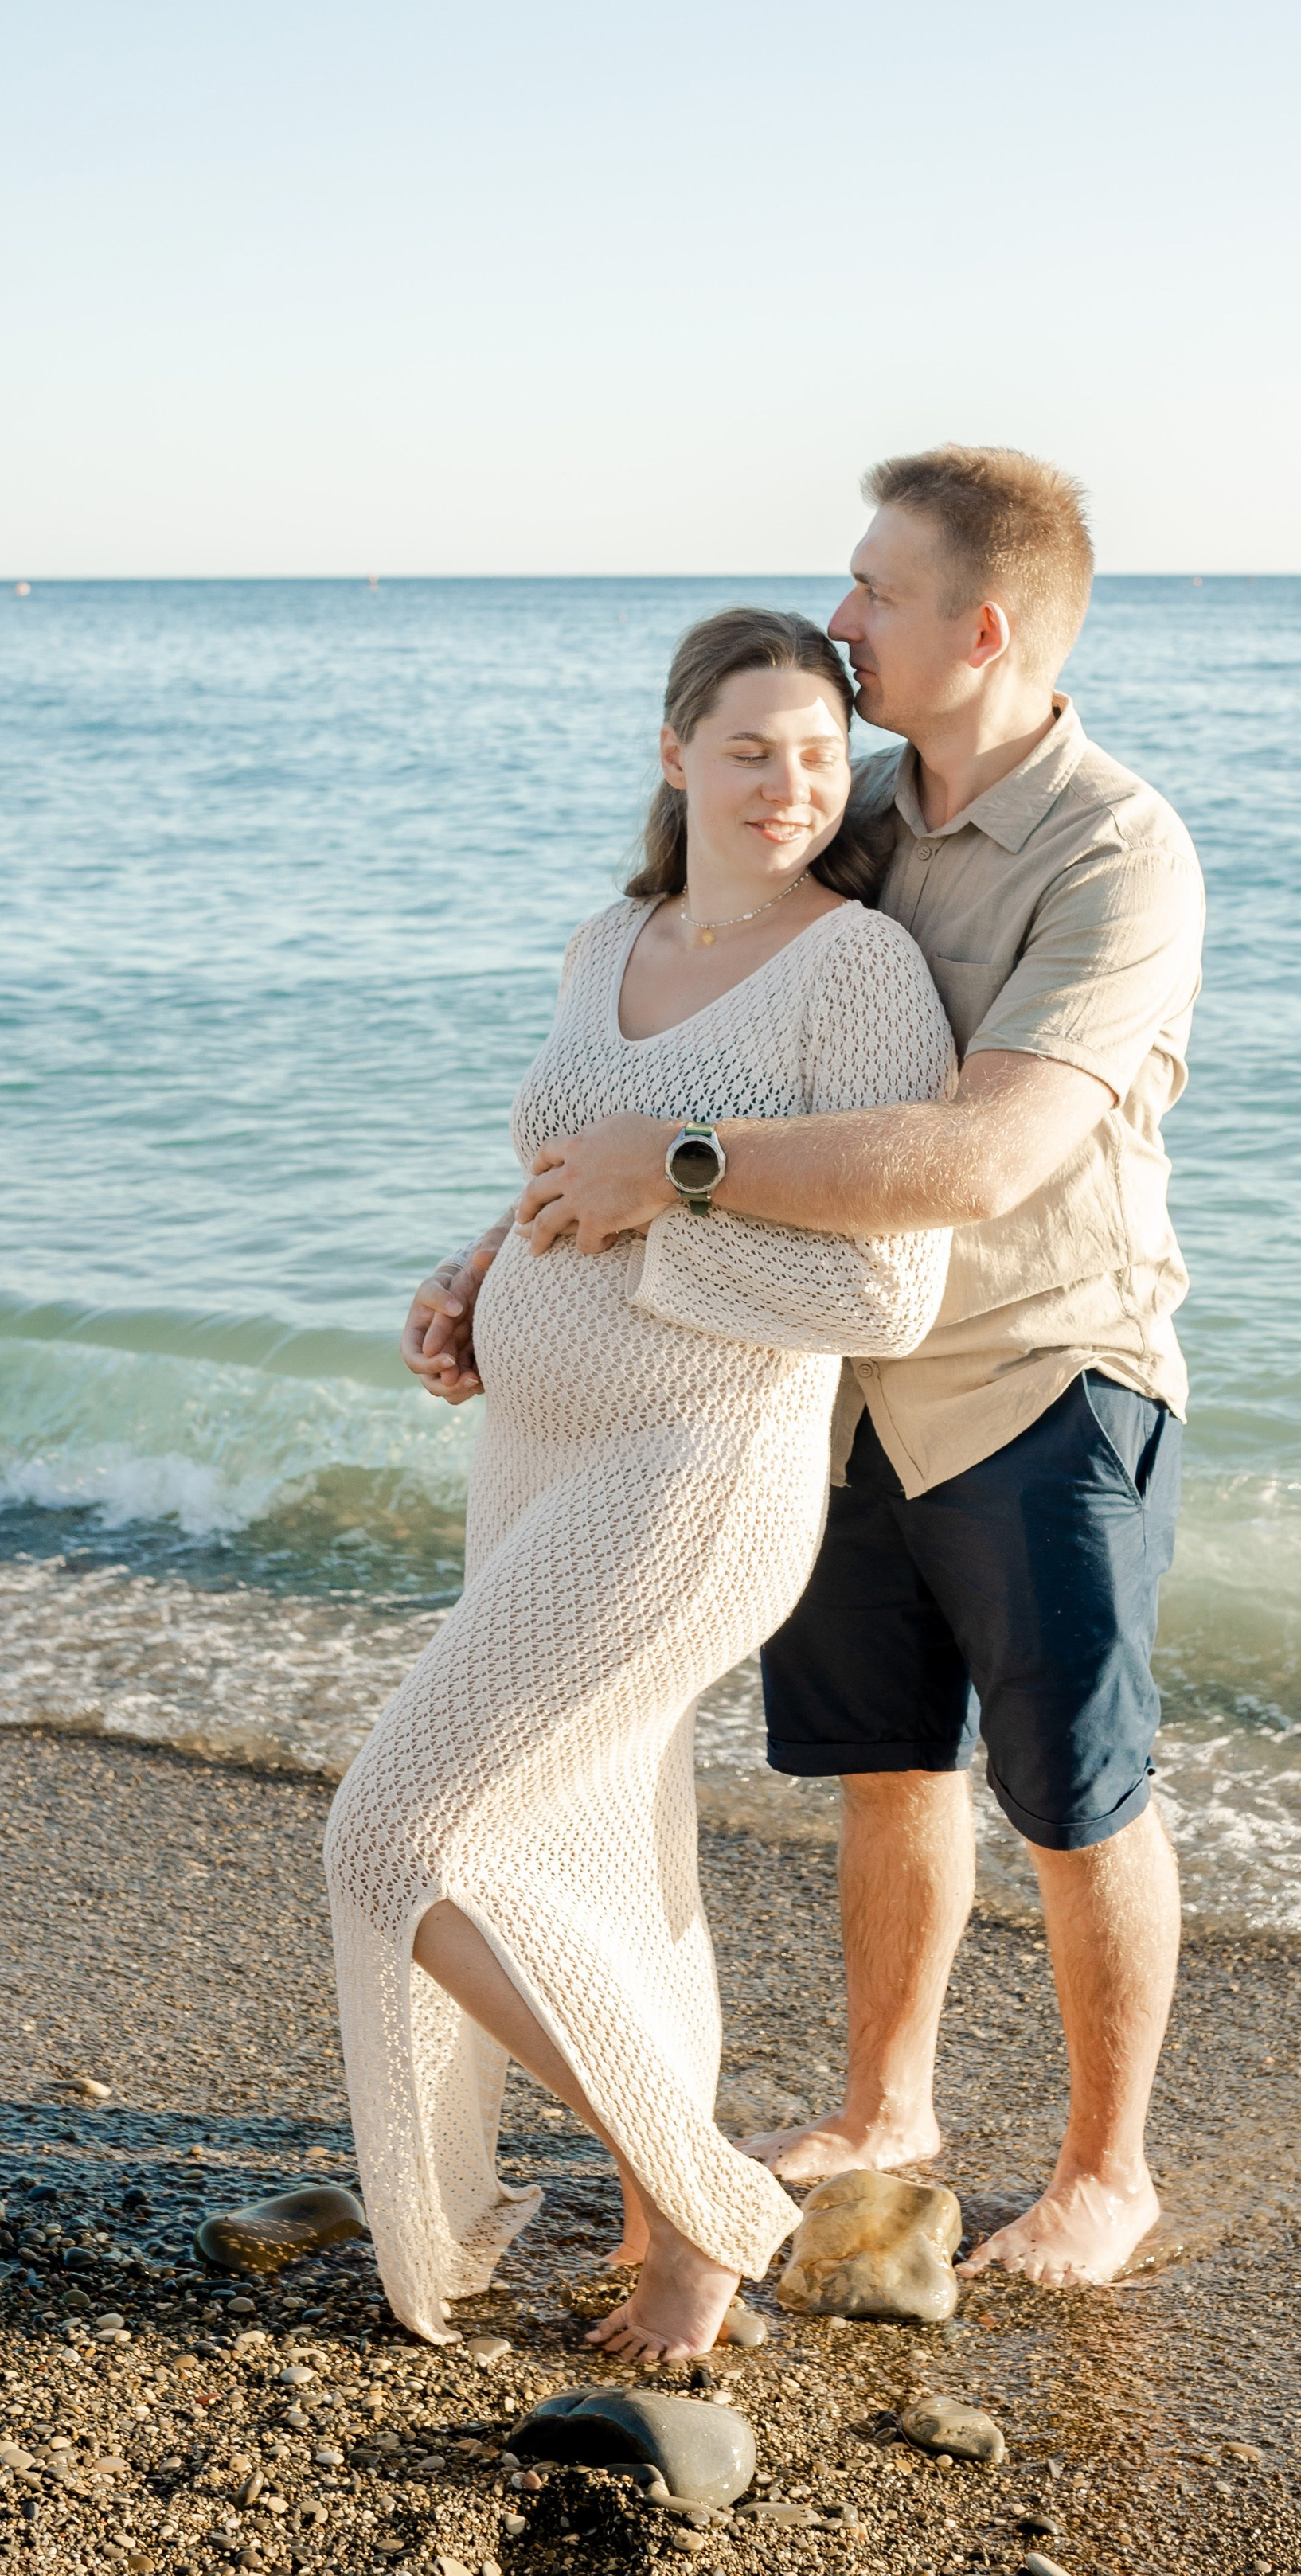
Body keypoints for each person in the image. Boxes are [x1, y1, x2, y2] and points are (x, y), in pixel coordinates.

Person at [408, 442, 1204, 2290]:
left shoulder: (1115, 853)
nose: (842, 624)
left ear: (979, 626)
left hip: (1035, 1368)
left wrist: (673, 1174)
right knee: (880, 1760)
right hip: (820, 1380)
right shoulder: (851, 812)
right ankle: (884, 2105)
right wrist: (495, 1254)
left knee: (1074, 1789)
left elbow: (983, 1154)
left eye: (877, 593)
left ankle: (1106, 2170)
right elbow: (683, 1052)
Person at [330, 607, 955, 2359]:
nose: (789, 785)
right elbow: (558, 1165)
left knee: (394, 1836)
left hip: (696, 1471)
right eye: (750, 749)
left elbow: (886, 1286)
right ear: (672, 754)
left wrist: (650, 1216)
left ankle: (709, 2198)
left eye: (822, 757)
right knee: (603, 1856)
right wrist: (476, 1274)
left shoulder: (855, 969)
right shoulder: (611, 933)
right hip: (537, 1449)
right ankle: (673, 2250)